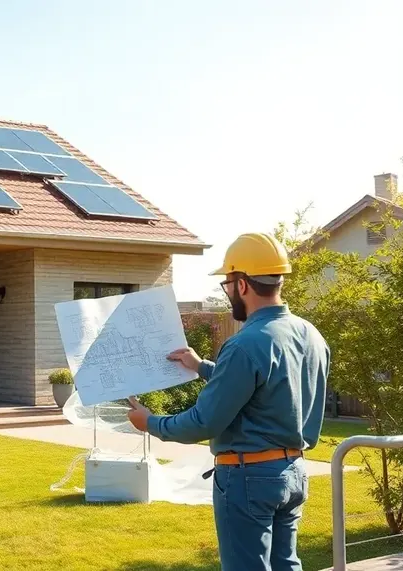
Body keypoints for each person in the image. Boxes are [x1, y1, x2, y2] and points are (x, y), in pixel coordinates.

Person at [125, 232, 330, 571]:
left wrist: (150, 423)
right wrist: (203, 366)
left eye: (227, 284)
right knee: (286, 566)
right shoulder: (310, 334)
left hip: (249, 476)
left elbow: (203, 422)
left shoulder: (244, 344)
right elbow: (269, 386)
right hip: (293, 471)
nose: (228, 292)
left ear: (243, 285)